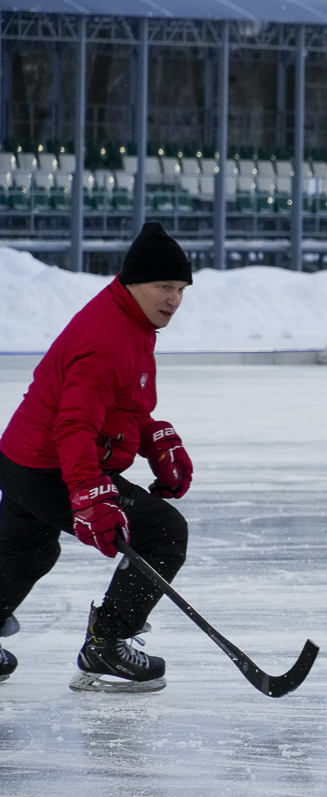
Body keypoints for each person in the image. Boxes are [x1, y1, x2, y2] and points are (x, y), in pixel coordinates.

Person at [0, 222, 194, 692]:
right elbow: (74, 425)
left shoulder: (130, 321)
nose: (173, 299)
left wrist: (155, 437)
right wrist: (90, 495)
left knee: (28, 548)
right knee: (163, 532)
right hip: (50, 464)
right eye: (163, 287)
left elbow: (119, 404)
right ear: (133, 283)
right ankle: (107, 645)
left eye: (181, 288)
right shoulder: (107, 338)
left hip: (25, 458)